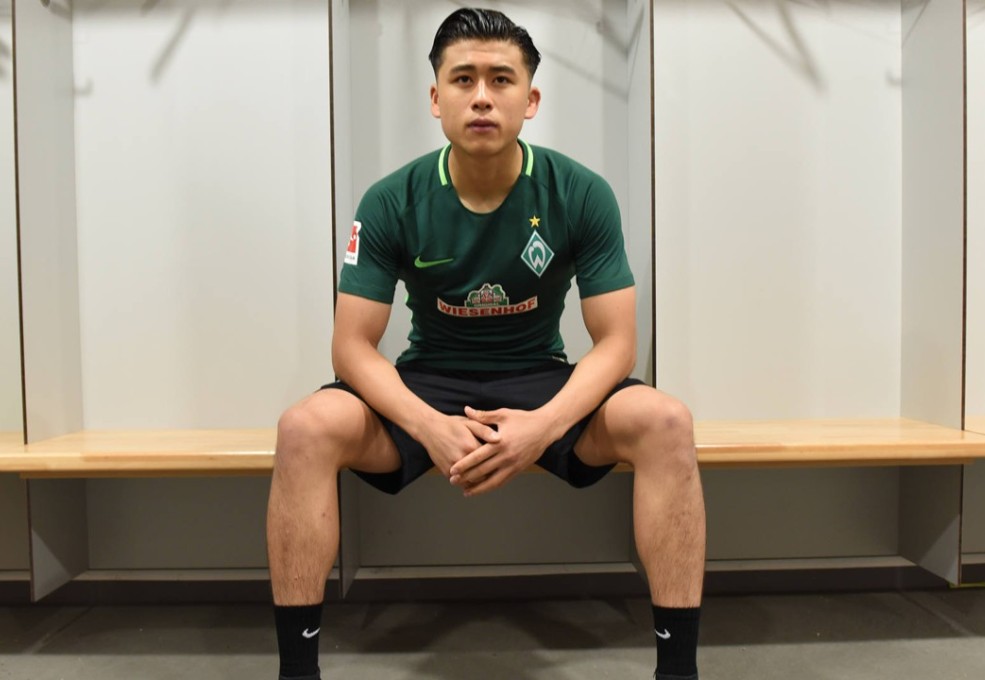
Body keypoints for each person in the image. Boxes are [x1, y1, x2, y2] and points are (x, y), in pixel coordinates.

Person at [266, 7, 706, 680]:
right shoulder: (390, 200)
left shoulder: (580, 193)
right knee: (303, 429)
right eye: (463, 78)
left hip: (541, 378)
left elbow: (618, 344)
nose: (481, 96)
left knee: (667, 421)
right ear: (435, 97)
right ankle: (296, 673)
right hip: (426, 382)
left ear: (530, 100)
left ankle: (679, 673)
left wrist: (544, 426)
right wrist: (429, 427)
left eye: (501, 79)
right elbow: (351, 348)